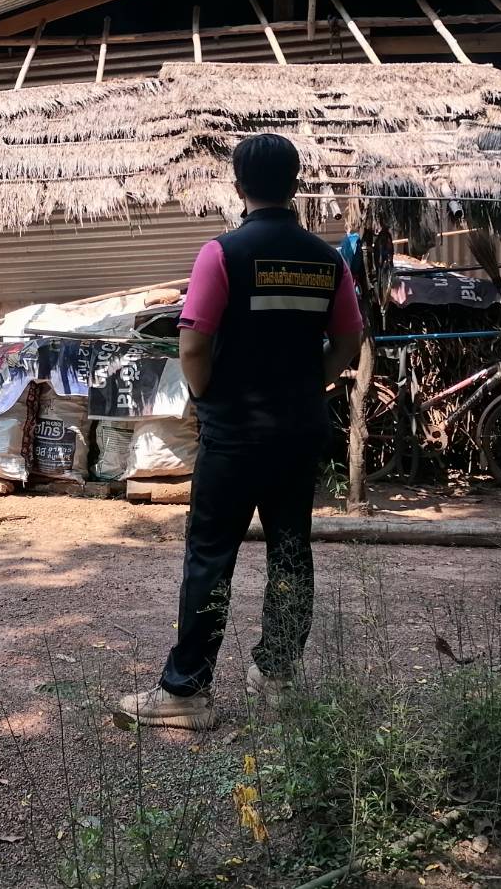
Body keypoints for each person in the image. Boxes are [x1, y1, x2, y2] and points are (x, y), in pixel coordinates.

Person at [116, 133, 365, 730]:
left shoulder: (221, 254)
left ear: (237, 186)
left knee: (211, 554)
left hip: (234, 434)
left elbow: (192, 344)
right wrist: (309, 384)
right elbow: (348, 341)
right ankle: (277, 675)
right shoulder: (327, 260)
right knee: (290, 550)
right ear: (295, 184)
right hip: (299, 429)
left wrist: (207, 397)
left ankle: (186, 692)